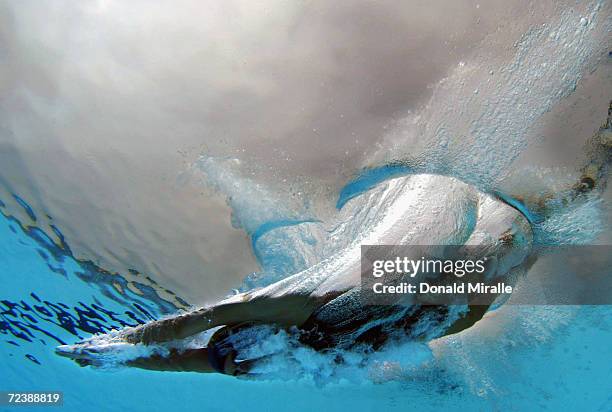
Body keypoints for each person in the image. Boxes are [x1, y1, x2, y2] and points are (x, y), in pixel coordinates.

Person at [58, 102, 611, 376]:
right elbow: (189, 345)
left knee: (487, 256)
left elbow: (189, 333)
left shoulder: (295, 316)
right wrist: (114, 355)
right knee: (496, 262)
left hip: (397, 290)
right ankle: (580, 188)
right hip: (416, 304)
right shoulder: (306, 351)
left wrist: (114, 350)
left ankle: (575, 189)